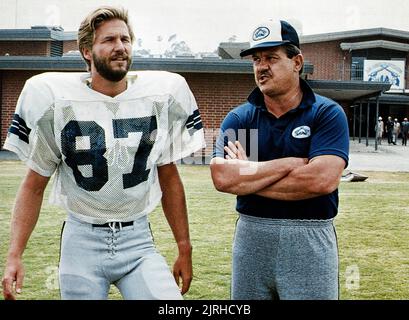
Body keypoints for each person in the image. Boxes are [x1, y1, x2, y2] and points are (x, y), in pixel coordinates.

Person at [1, 6, 205, 300]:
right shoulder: (56, 102)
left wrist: (184, 247)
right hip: (81, 241)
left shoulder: (159, 97)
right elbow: (33, 186)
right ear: (87, 51)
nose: (120, 47)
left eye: (125, 39)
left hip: (137, 239)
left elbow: (169, 177)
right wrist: (14, 255)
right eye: (109, 40)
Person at [210, 19, 349, 300]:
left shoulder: (326, 113)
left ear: (296, 62)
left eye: (272, 58)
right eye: (257, 60)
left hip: (309, 239)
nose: (262, 67)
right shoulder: (241, 119)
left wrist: (248, 174)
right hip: (252, 238)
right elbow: (223, 178)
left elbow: (321, 180)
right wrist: (290, 164)